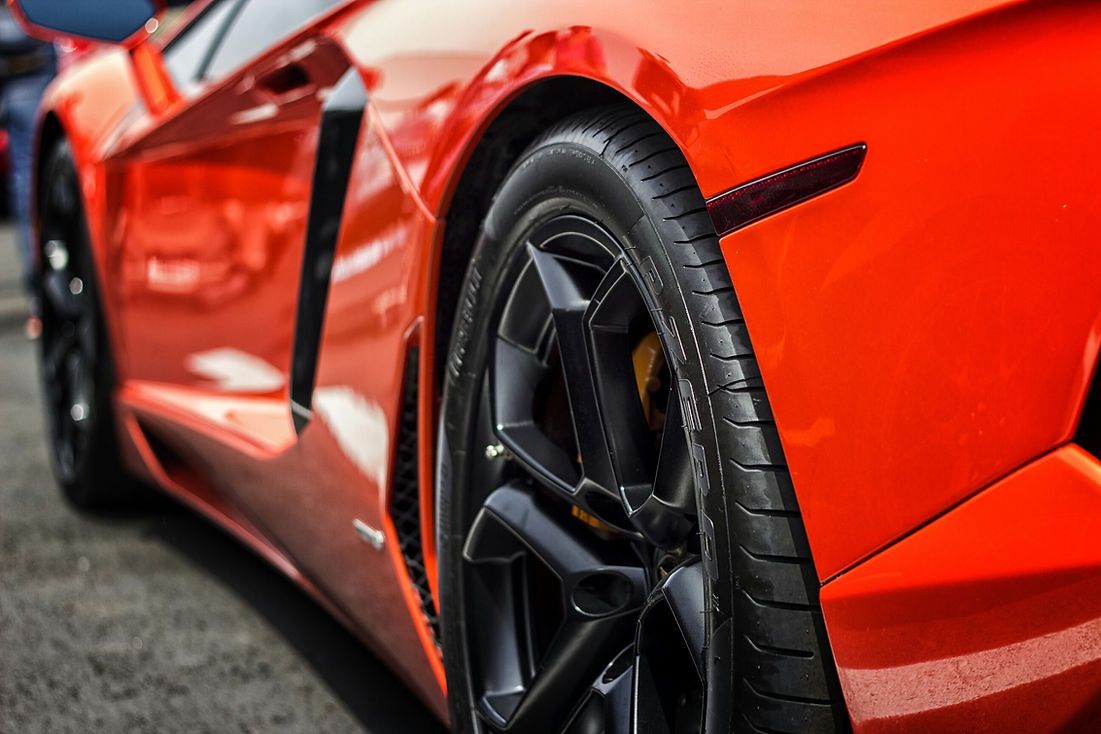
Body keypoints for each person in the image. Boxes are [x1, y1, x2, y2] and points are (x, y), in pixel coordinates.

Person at [0, 6, 56, 340]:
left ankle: (43, 300)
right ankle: (43, 302)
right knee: (32, 181)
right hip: (28, 47)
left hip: (29, 56)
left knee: (31, 184)